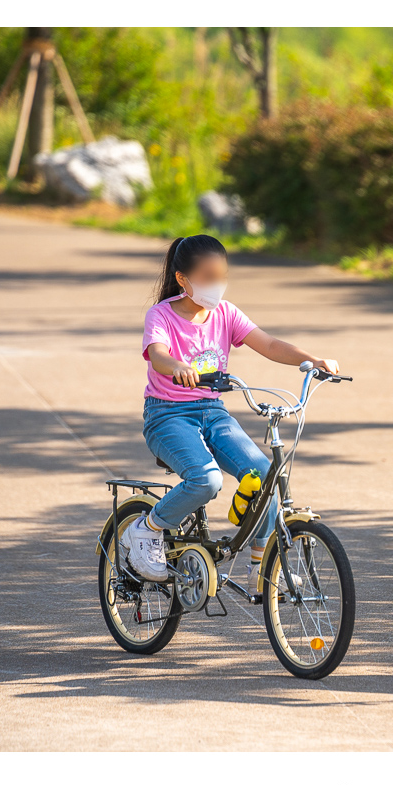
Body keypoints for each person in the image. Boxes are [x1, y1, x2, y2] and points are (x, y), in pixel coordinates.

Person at [121, 234, 339, 589]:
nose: (216, 286)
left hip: (212, 411)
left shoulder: (226, 313)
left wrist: (311, 360)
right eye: (207, 278)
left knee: (265, 474)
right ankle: (146, 529)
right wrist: (177, 365)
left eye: (221, 277)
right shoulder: (161, 315)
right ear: (183, 279)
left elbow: (267, 343)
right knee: (206, 480)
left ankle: (261, 567)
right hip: (167, 415)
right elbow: (157, 353)